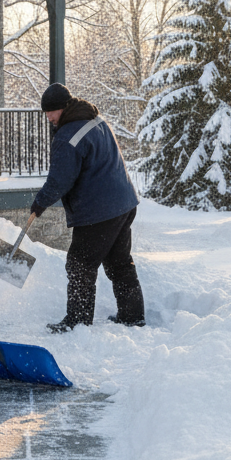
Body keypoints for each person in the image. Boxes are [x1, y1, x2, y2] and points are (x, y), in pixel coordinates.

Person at [30, 82, 145, 333]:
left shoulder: (67, 136)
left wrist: (39, 203)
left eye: (52, 111)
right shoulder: (96, 120)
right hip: (124, 203)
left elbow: (60, 180)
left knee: (80, 264)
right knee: (120, 263)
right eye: (46, 112)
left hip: (98, 212)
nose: (49, 117)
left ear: (65, 107)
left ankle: (77, 322)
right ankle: (132, 316)